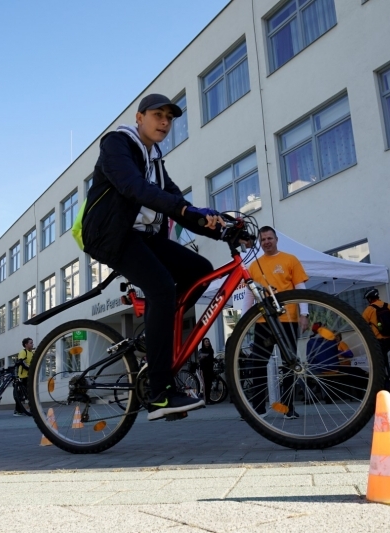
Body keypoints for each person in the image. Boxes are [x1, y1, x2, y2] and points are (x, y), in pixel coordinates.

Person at [82, 93, 224, 422]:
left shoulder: (155, 161)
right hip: (111, 235)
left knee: (200, 270)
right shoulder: (117, 144)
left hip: (143, 236)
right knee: (160, 288)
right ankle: (159, 394)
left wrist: (219, 227)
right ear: (139, 117)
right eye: (157, 115)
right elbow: (132, 186)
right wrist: (184, 209)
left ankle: (156, 332)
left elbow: (177, 203)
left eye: (169, 118)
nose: (164, 122)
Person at [244, 227, 309, 419]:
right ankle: (258, 408)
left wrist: (304, 313)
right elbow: (249, 294)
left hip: (287, 320)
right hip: (264, 322)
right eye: (263, 239)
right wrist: (243, 321)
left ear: (276, 239)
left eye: (269, 238)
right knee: (258, 363)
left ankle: (288, 408)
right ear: (260, 242)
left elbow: (300, 287)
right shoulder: (254, 266)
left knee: (290, 363)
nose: (266, 242)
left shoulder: (290, 260)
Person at [14, 338, 33, 416]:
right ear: (26, 344)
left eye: (32, 343)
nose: (32, 344)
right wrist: (29, 369)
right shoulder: (23, 352)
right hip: (23, 376)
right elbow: (22, 362)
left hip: (29, 376)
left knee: (30, 393)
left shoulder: (31, 353)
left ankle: (32, 410)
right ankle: (17, 411)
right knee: (21, 394)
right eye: (31, 343)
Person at [198, 338, 215, 402]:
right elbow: (200, 357)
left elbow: (211, 358)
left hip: (210, 369)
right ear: (203, 343)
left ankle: (208, 398)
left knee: (209, 384)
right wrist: (205, 356)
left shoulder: (211, 350)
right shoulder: (201, 350)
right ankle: (205, 400)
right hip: (204, 369)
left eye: (208, 341)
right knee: (205, 385)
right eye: (206, 341)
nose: (207, 342)